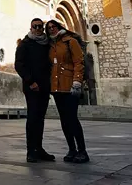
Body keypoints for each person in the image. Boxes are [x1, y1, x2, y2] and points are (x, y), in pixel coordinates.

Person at [45, 20, 89, 164]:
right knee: (64, 119)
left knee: (72, 118)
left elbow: (79, 61)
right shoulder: (50, 45)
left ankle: (82, 151)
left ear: (59, 27)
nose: (51, 29)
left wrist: (77, 81)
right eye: (49, 28)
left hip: (71, 86)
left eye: (54, 27)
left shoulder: (70, 41)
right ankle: (72, 149)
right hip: (57, 88)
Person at [15, 18, 55, 163]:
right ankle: (30, 151)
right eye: (35, 26)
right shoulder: (25, 44)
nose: (38, 29)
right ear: (31, 27)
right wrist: (30, 81)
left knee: (40, 118)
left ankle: (39, 148)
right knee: (32, 118)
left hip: (44, 86)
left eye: (40, 27)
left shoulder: (47, 43)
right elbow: (19, 65)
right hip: (32, 87)